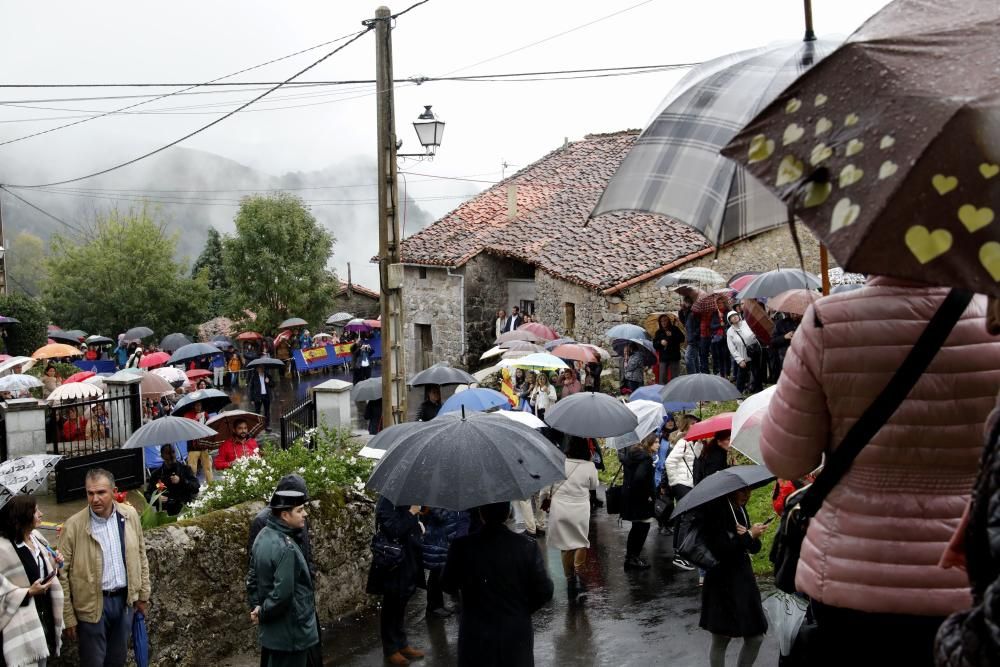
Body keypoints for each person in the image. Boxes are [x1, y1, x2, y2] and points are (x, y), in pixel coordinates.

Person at [760, 280, 1000, 667]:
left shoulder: (826, 322)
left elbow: (787, 459)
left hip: (851, 572)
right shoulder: (991, 316)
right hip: (966, 570)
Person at [935, 295, 1000, 665]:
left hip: (852, 573)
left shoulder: (828, 325)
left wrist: (949, 645)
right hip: (956, 584)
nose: (991, 323)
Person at [440, 502, 553, 666]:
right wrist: (521, 609)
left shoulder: (462, 547)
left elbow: (447, 584)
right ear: (508, 513)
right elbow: (545, 590)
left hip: (475, 634)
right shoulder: (526, 546)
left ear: (480, 514)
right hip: (515, 634)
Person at [59, 469, 150, 667]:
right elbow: (61, 573)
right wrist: (68, 616)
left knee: (117, 660)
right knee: (93, 662)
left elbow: (140, 554)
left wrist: (143, 595)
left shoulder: (129, 515)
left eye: (101, 492)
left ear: (114, 491)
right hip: (92, 606)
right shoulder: (73, 526)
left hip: (124, 601)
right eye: (90, 493)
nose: (95, 499)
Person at [247, 490, 319, 667]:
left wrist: (256, 605)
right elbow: (282, 594)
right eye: (300, 510)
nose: (305, 514)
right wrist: (262, 612)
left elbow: (252, 577)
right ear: (285, 515)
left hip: (276, 632)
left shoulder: (263, 535)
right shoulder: (286, 547)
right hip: (292, 632)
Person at [699, 486, 768, 667]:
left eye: (749, 490)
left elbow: (752, 547)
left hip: (743, 582)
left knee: (756, 637)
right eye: (742, 491)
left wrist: (752, 535)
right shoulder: (715, 511)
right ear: (730, 491)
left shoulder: (739, 509)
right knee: (721, 639)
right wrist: (749, 536)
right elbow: (722, 551)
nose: (747, 495)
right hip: (721, 583)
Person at [0, 496, 64, 666]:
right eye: (36, 511)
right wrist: (28, 592)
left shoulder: (36, 537)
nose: (41, 514)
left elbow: (44, 571)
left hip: (43, 616)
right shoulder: (3, 549)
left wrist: (54, 563)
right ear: (22, 516)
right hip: (22, 626)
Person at [366, 498, 426, 666]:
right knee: (391, 604)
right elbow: (393, 529)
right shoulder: (386, 501)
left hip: (408, 560)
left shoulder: (407, 497)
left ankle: (402, 643)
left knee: (401, 602)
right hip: (394, 562)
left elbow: (406, 526)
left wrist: (418, 525)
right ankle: (391, 649)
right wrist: (411, 513)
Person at [543, 437, 598, 603]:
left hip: (560, 508)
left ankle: (570, 580)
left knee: (565, 546)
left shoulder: (559, 463)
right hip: (580, 509)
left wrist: (544, 500)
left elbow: (547, 486)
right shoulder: (589, 466)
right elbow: (594, 485)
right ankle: (579, 575)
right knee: (580, 541)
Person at [665, 415, 700, 570]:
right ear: (686, 425)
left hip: (688, 483)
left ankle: (677, 549)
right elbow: (670, 461)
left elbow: (696, 459)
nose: (696, 425)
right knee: (688, 516)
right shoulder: (683, 442)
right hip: (682, 484)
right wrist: (675, 482)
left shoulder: (693, 441)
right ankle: (681, 555)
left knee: (682, 516)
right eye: (693, 424)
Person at [421, 508, 469, 619]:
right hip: (437, 540)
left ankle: (438, 605)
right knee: (436, 573)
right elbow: (440, 516)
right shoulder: (436, 500)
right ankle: (433, 607)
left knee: (438, 571)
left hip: (442, 540)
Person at [621, 434, 658, 570]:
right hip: (641, 499)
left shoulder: (633, 455)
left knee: (636, 527)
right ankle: (634, 558)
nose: (658, 445)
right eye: (656, 442)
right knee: (643, 527)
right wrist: (647, 495)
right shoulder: (646, 458)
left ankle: (631, 557)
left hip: (630, 497)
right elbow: (640, 478)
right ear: (649, 443)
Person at [145, 444, 199, 515]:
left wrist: (181, 481)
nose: (171, 456)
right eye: (168, 453)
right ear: (162, 456)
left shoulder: (185, 469)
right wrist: (157, 498)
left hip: (184, 511)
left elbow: (196, 487)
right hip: (166, 513)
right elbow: (148, 494)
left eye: (173, 452)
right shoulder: (156, 474)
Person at [725, 311, 763, 394]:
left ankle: (759, 391)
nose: (735, 317)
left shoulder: (747, 323)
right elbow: (732, 348)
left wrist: (755, 335)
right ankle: (738, 394)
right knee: (741, 375)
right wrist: (739, 360)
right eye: (732, 317)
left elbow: (756, 332)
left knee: (757, 372)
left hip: (754, 352)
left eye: (735, 315)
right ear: (729, 320)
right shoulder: (730, 331)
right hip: (743, 356)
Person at [182, 402, 214, 483]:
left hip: (203, 444)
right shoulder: (187, 415)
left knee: (208, 467)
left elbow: (209, 425)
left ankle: (212, 486)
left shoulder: (205, 414)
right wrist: (196, 418)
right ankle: (193, 487)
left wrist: (208, 418)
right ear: (193, 405)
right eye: (196, 405)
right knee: (192, 468)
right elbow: (187, 427)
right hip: (193, 446)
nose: (198, 407)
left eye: (200, 405)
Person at [654, 313, 685, 384]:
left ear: (668, 321)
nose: (663, 322)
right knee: (662, 378)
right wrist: (660, 342)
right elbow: (655, 345)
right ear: (660, 322)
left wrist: (672, 335)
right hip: (663, 358)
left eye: (665, 320)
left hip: (674, 356)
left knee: (675, 378)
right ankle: (663, 393)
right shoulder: (658, 332)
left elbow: (682, 339)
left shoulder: (675, 329)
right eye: (662, 321)